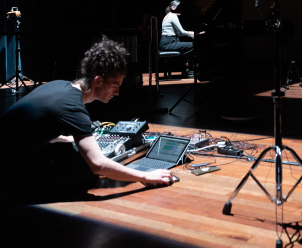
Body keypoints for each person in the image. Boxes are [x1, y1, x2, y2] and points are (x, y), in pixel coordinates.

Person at [0, 36, 173, 204]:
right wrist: (145, 176)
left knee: (70, 148)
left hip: (8, 157)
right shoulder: (73, 108)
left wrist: (64, 138)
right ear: (98, 80)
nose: (117, 93)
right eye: (115, 86)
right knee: (88, 172)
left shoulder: (58, 85)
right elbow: (98, 164)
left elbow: (28, 129)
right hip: (10, 174)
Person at [159, 0, 195, 78]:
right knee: (194, 45)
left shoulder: (167, 15)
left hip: (166, 41)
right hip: (168, 43)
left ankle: (185, 68)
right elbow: (181, 32)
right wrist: (193, 33)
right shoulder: (172, 15)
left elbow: (178, 34)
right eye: (180, 7)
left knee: (185, 46)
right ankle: (185, 68)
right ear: (173, 7)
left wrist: (190, 35)